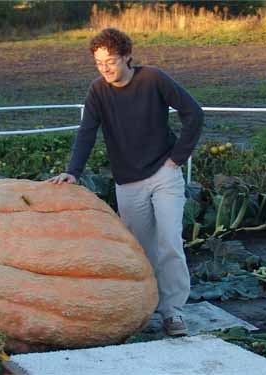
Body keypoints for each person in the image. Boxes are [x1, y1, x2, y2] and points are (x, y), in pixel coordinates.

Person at [48, 28, 203, 336]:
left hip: (163, 174)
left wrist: (176, 159)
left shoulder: (153, 79)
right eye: (98, 62)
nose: (105, 68)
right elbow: (87, 133)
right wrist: (73, 172)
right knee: (140, 251)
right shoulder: (97, 91)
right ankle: (143, 308)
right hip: (127, 181)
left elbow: (193, 114)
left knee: (170, 241)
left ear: (127, 56)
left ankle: (172, 312)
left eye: (111, 61)